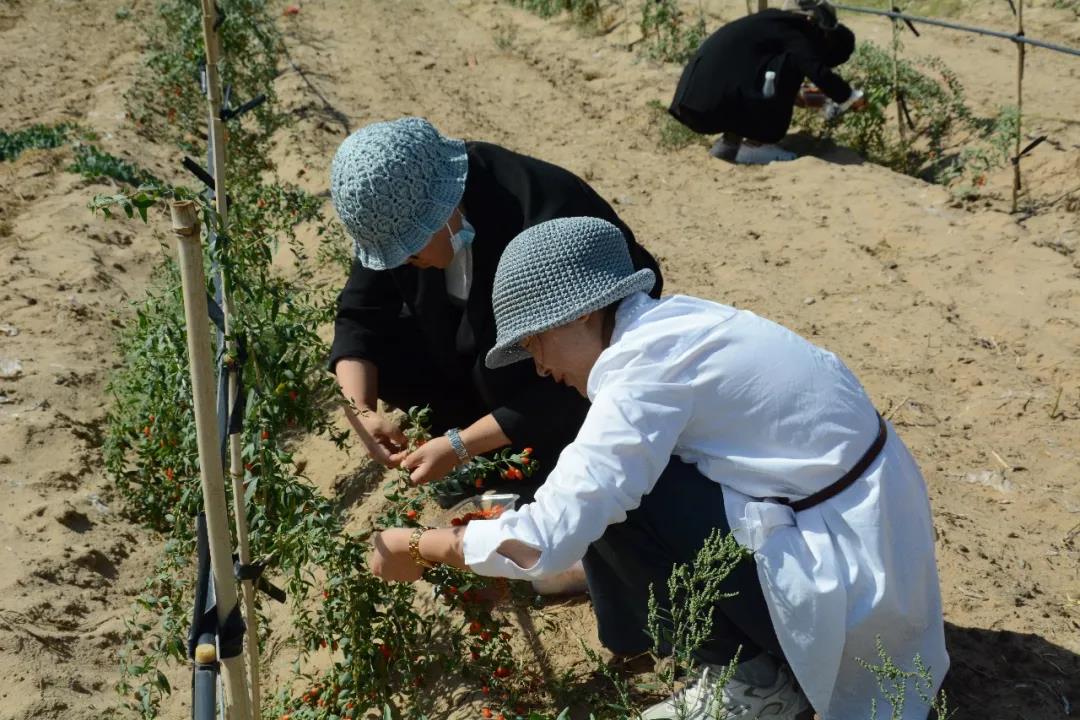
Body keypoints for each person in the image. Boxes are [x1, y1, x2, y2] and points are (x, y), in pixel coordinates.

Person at [369, 217, 949, 719]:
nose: (539, 366)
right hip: (866, 539)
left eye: (537, 341)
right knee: (616, 476)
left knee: (622, 499)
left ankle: (757, 685)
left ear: (587, 312)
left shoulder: (643, 375)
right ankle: (744, 652)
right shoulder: (671, 326)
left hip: (849, 587)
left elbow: (548, 535)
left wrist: (418, 547)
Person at [328, 117, 663, 512]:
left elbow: (598, 351)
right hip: (473, 358)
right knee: (383, 352)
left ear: (441, 210)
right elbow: (360, 315)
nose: (403, 262)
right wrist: (362, 412)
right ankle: (484, 452)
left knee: (563, 367)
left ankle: (531, 461)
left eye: (411, 251)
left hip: (557, 370)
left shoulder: (546, 215)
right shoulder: (399, 208)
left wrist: (461, 444)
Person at [668, 0, 865, 165]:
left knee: (780, 71)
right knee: (791, 66)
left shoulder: (771, 26)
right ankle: (758, 144)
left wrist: (818, 99)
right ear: (811, 20)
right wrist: (850, 97)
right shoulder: (797, 31)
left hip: (695, 102)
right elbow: (815, 72)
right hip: (709, 107)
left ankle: (731, 143)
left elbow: (786, 89)